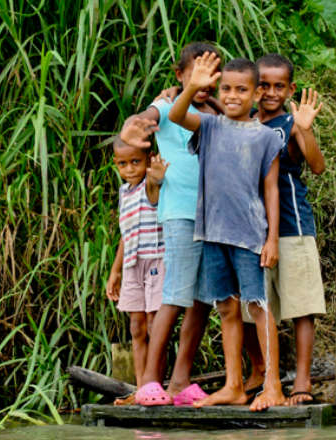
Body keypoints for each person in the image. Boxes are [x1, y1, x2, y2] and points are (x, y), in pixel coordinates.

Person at [168, 52, 285, 411]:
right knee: (227, 310)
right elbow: (175, 115)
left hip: (249, 236)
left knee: (258, 307)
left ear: (255, 94)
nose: (232, 96)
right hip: (212, 234)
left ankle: (273, 386)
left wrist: (271, 239)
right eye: (226, 89)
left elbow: (271, 189)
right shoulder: (209, 126)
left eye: (241, 90)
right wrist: (193, 87)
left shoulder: (266, 137)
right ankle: (234, 384)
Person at [118, 42, 222, 406]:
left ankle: (179, 382)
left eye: (213, 75)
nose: (206, 82)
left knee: (201, 301)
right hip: (180, 212)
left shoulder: (216, 111)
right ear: (179, 76)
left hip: (213, 215)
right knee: (175, 294)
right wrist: (132, 129)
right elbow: (142, 119)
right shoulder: (165, 106)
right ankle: (149, 381)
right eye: (196, 74)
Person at [243, 53, 327, 406]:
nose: (271, 92)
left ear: (290, 88)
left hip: (293, 227)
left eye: (279, 86)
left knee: (300, 305)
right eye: (264, 85)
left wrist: (304, 128)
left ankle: (302, 382)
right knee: (251, 306)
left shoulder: (291, 123)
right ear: (252, 87)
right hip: (249, 232)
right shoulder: (243, 122)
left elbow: (318, 166)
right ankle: (259, 371)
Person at [106, 137, 167, 391]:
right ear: (115, 164)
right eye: (123, 164)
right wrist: (115, 271)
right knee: (136, 327)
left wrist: (156, 175)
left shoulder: (149, 185)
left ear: (148, 159)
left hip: (155, 259)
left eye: (135, 162)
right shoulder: (124, 192)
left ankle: (156, 384)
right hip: (132, 263)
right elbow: (125, 234)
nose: (130, 169)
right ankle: (142, 386)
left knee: (155, 324)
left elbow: (154, 189)